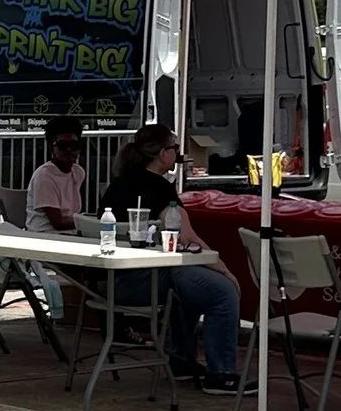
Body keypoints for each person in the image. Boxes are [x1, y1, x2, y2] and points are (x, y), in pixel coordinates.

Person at [102, 124, 241, 390]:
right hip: (147, 278)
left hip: (110, 281)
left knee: (189, 288)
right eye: (175, 148)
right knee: (222, 292)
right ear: (163, 154)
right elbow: (189, 240)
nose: (178, 153)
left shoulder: (117, 184)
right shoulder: (160, 188)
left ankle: (180, 361)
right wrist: (224, 269)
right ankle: (220, 374)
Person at [25, 120, 88, 233]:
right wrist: (90, 223)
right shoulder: (44, 176)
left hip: (69, 234)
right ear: (51, 148)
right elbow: (58, 223)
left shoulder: (78, 172)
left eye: (74, 146)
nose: (69, 150)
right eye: (63, 145)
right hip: (44, 235)